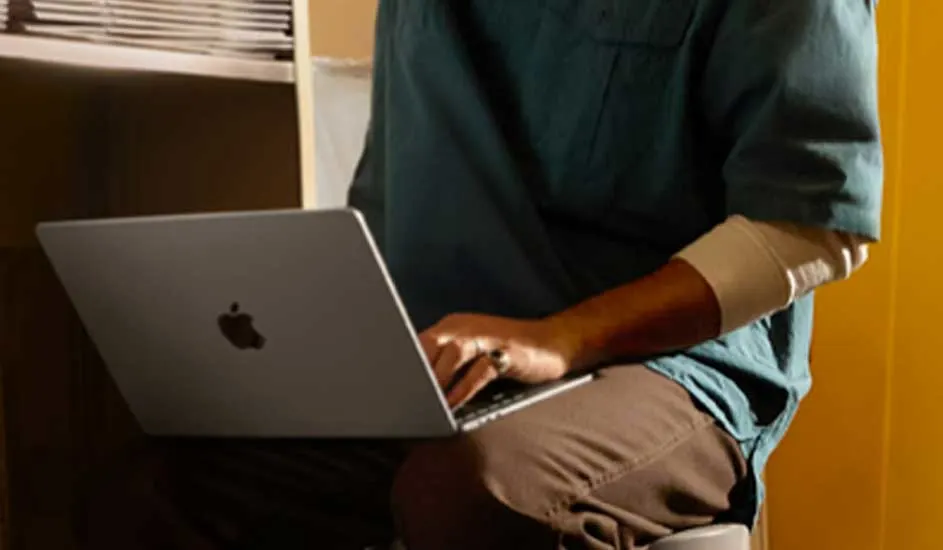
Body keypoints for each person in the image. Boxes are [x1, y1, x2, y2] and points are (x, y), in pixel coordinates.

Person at [85, 1, 883, 549]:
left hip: (672, 370)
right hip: (441, 357)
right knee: (166, 480)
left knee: (474, 491)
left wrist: (562, 338)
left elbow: (812, 224)